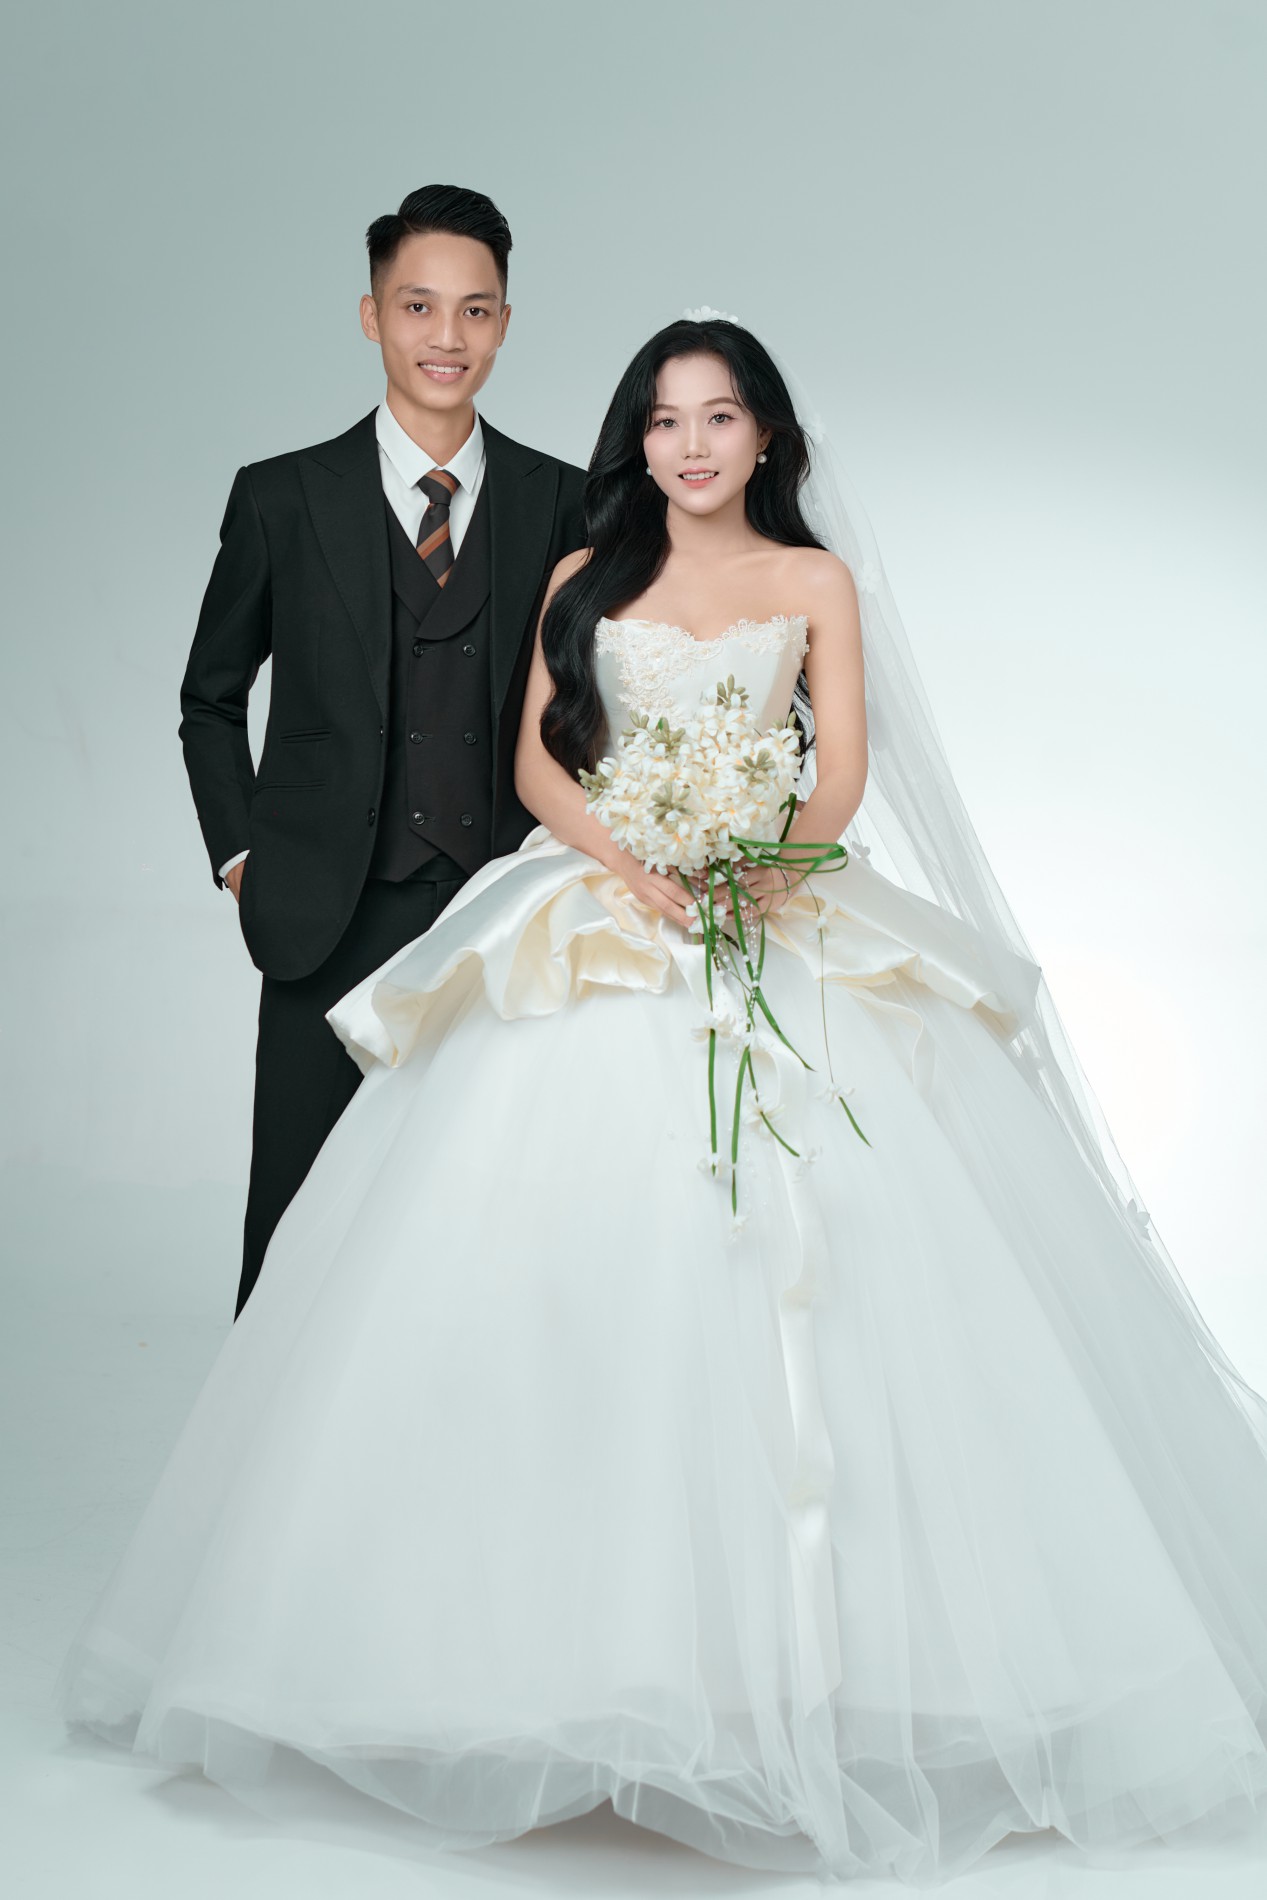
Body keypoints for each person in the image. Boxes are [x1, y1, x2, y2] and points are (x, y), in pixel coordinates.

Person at [59, 319, 1267, 1884]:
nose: (690, 445)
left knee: (839, 1259)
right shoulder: (585, 578)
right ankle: (547, 1665)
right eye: (663, 420)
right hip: (608, 901)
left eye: (719, 418)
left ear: (766, 438)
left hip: (768, 899)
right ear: (636, 442)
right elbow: (539, 769)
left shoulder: (811, 581)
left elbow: (838, 770)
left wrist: (766, 859)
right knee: (550, 1266)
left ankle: (828, 1673)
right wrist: (633, 867)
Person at [178, 182, 586, 1317]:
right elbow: (209, 698)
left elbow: (594, 702)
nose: (445, 336)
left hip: (502, 917)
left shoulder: (563, 501)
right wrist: (243, 858)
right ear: (371, 316)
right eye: (418, 306)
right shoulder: (281, 497)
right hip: (324, 913)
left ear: (503, 324)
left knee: (493, 1224)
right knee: (295, 1233)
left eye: (474, 310)